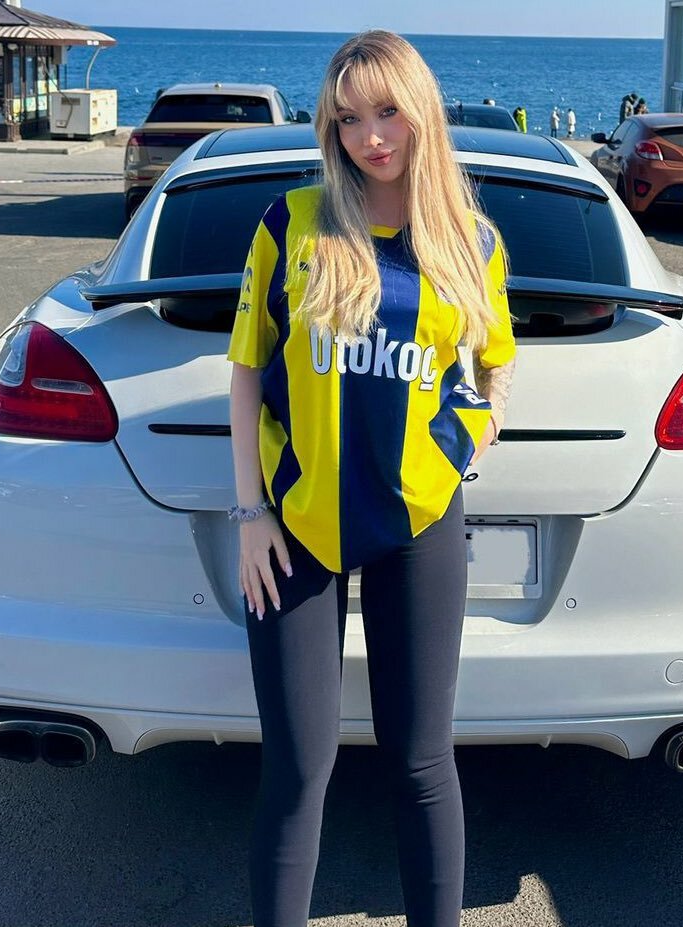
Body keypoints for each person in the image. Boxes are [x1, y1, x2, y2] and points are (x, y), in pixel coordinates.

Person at [228, 29, 516, 927]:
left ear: (420, 110)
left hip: (420, 527)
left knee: (421, 762)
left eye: (387, 111)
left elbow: (496, 364)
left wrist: (468, 442)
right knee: (297, 767)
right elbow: (246, 370)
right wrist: (250, 512)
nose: (370, 137)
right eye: (348, 119)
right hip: (295, 524)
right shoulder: (291, 223)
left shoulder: (471, 242)